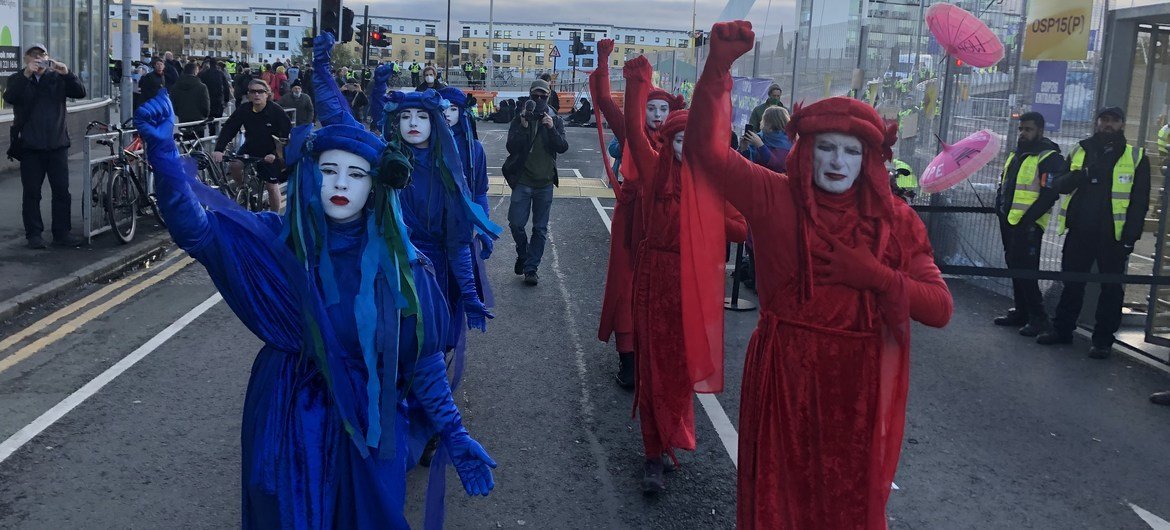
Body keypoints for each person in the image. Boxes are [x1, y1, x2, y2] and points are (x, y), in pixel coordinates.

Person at [130, 33, 496, 527]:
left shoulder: (404, 269)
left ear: (375, 188)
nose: (341, 183)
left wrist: (455, 434)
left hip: (366, 429)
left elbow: (424, 360)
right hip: (286, 423)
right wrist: (164, 157)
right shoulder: (278, 242)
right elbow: (198, 231)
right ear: (310, 178)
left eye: (356, 174)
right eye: (328, 170)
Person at [679, 21, 952, 528]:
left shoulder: (895, 220)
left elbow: (939, 308)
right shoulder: (774, 196)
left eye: (852, 151)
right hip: (785, 374)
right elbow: (705, 153)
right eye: (827, 146)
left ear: (870, 159)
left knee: (846, 505)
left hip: (858, 386)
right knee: (779, 502)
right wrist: (716, 70)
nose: (838, 161)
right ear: (807, 149)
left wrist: (876, 275)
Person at [620, 56, 747, 494]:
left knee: (677, 369)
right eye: (678, 138)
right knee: (652, 366)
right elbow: (635, 133)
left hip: (691, 285)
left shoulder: (710, 183)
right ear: (671, 139)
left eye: (692, 138)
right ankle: (652, 453)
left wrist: (709, 218)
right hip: (654, 278)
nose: (683, 145)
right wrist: (638, 83)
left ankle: (672, 436)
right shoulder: (654, 170)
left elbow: (740, 227)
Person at [590, 37, 686, 388]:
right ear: (642, 109)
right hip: (631, 218)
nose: (658, 116)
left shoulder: (681, 141)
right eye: (651, 109)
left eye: (663, 110)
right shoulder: (630, 133)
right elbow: (602, 100)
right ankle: (628, 358)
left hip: (663, 226)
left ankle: (653, 352)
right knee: (624, 284)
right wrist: (604, 63)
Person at [1037, 106, 1151, 358]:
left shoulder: (1136, 156)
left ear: (1122, 124)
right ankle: (1063, 330)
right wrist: (1084, 174)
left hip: (1113, 235)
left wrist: (1131, 237)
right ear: (1097, 122)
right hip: (1080, 230)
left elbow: (1139, 202)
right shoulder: (1080, 150)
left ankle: (1102, 342)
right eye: (1104, 120)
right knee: (1072, 284)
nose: (1108, 125)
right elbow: (1059, 185)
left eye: (1114, 121)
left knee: (1111, 290)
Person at [5, 43, 86, 249]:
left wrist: (67, 73)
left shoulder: (57, 78)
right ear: (26, 59)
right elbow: (10, 97)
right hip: (31, 146)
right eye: (34, 56)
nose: (38, 59)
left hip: (57, 144)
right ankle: (34, 234)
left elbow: (80, 92)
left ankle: (62, 233)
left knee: (61, 191)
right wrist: (26, 75)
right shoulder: (18, 79)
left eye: (42, 55)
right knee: (32, 193)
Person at [992, 111, 1065, 336]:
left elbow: (1049, 194)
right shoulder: (1017, 154)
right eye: (1021, 129)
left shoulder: (1049, 157)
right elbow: (1006, 183)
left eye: (1028, 129)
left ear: (1040, 131)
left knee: (1026, 270)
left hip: (1029, 224)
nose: (1023, 133)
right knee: (1015, 266)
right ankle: (1022, 311)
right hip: (1010, 220)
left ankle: (1038, 317)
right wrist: (999, 207)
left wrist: (1028, 220)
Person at [500, 80, 568, 287]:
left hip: (545, 182)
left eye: (543, 96)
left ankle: (531, 269)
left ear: (548, 96)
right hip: (523, 181)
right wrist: (522, 126)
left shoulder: (555, 119)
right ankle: (524, 253)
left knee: (539, 228)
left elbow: (563, 147)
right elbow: (511, 147)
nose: (539, 100)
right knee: (516, 223)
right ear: (529, 95)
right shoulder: (520, 118)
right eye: (535, 96)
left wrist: (551, 128)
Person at [440, 85, 494, 311]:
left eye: (452, 109)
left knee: (457, 292)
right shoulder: (421, 145)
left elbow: (479, 192)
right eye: (442, 109)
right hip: (426, 231)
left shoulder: (475, 150)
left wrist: (484, 228)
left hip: (460, 230)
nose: (446, 114)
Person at [213, 78, 291, 213]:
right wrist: (219, 149)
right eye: (253, 92)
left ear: (267, 94)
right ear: (248, 94)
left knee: (272, 186)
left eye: (260, 92)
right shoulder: (244, 109)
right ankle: (243, 190)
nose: (256, 95)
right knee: (234, 165)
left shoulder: (276, 111)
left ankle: (274, 217)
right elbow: (230, 128)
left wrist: (274, 153)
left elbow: (285, 136)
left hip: (272, 150)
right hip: (251, 146)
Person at [740, 105, 792, 173]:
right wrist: (744, 148)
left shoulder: (788, 142)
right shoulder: (760, 136)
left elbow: (778, 166)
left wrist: (761, 146)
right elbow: (744, 164)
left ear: (773, 123)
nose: (762, 123)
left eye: (765, 120)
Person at [169, 62, 210, 139]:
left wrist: (180, 113)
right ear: (195, 71)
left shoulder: (175, 86)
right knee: (198, 145)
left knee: (186, 142)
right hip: (198, 121)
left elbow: (173, 103)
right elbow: (206, 105)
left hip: (183, 119)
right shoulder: (202, 87)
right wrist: (204, 115)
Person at [199, 59, 231, 135]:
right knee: (218, 118)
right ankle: (216, 134)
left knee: (210, 118)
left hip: (208, 99)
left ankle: (212, 133)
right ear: (216, 65)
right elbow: (226, 87)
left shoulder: (204, 74)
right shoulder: (220, 73)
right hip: (219, 100)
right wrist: (226, 100)